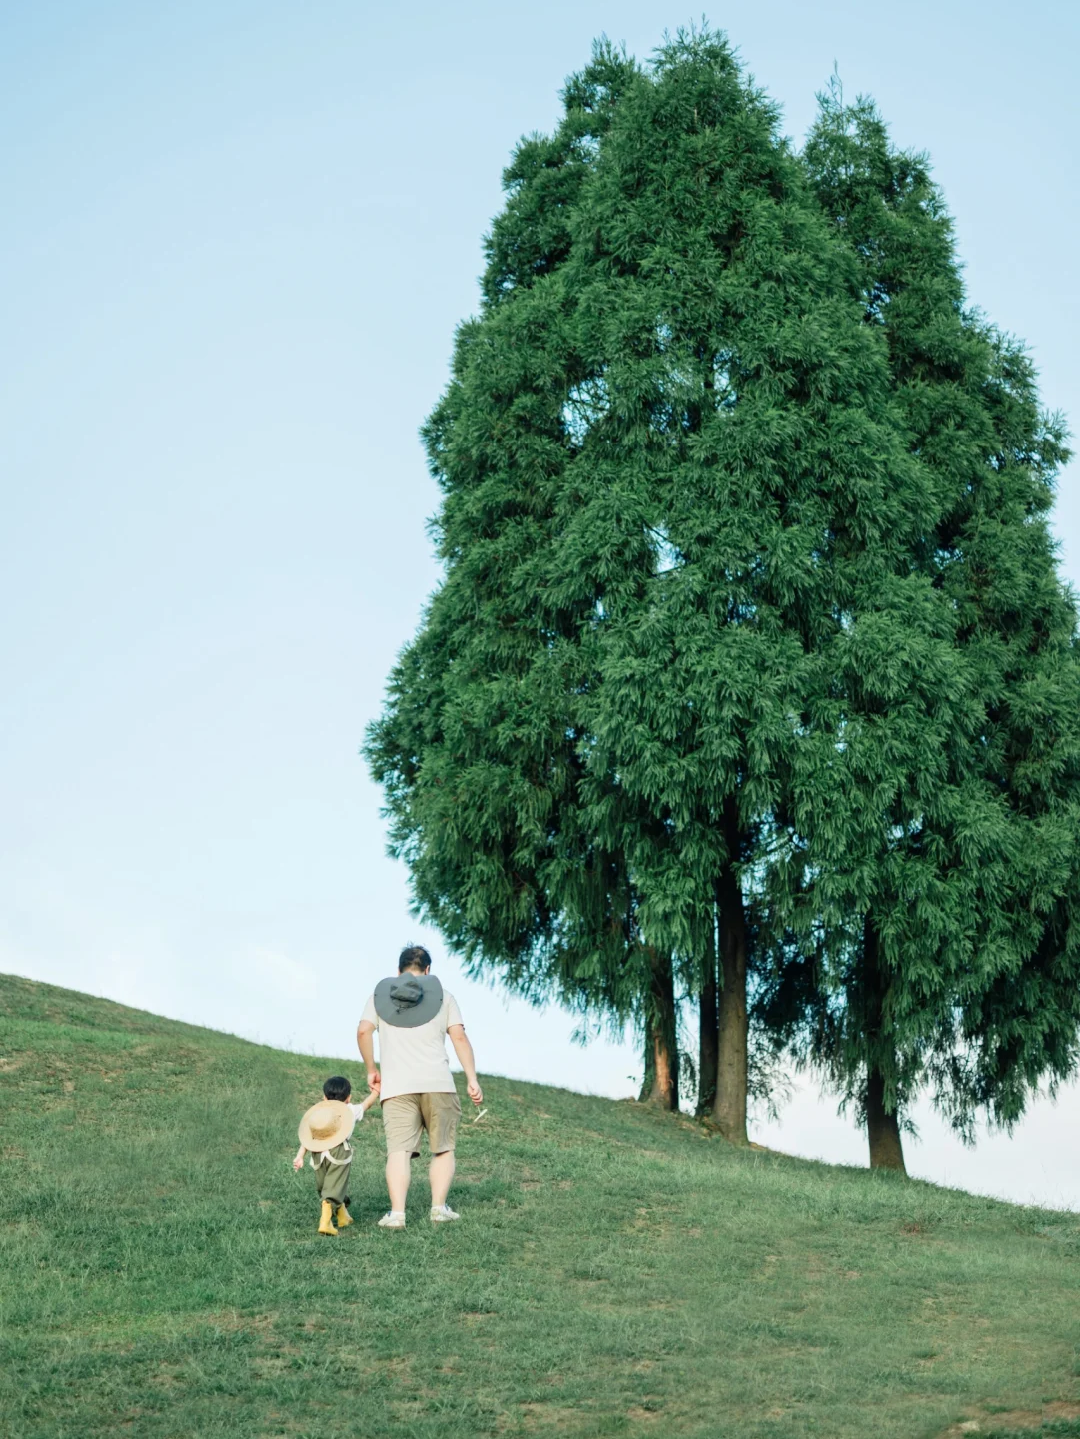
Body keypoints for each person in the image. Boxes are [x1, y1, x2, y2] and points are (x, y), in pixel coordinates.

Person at [357, 944, 483, 1228]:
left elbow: (363, 1030)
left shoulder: (379, 998)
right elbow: (459, 1038)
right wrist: (472, 1078)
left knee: (399, 1151)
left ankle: (397, 1214)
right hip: (438, 1083)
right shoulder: (444, 997)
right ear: (428, 971)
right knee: (443, 1148)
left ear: (398, 971)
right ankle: (438, 1209)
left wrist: (371, 1070)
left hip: (397, 1086)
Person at [293, 1075, 378, 1236]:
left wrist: (300, 1156)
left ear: (324, 1097)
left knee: (326, 1185)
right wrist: (376, 1092)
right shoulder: (350, 1110)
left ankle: (342, 1216)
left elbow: (308, 1137)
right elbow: (366, 1104)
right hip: (339, 1152)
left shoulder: (319, 1113)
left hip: (317, 1154)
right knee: (335, 1185)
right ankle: (325, 1222)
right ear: (349, 1098)